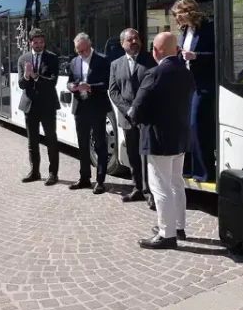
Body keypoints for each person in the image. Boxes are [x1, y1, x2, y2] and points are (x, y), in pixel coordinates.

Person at [131, 32, 195, 250]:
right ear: (176, 50)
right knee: (177, 183)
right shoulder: (186, 73)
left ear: (155, 51)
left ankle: (167, 234)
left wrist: (136, 120)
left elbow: (137, 107)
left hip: (158, 139)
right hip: (180, 137)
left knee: (160, 187)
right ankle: (178, 227)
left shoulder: (155, 73)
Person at [108, 28, 156, 204]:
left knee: (148, 155)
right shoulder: (115, 64)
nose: (135, 42)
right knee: (133, 154)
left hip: (146, 115)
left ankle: (150, 191)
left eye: (137, 38)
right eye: (130, 39)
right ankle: (137, 188)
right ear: (122, 44)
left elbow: (155, 85)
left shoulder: (150, 60)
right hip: (127, 117)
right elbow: (113, 91)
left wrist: (139, 108)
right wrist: (128, 110)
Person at [174, 0, 216, 183]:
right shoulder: (186, 31)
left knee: (197, 126)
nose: (177, 18)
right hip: (188, 85)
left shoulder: (208, 27)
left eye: (178, 14)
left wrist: (196, 56)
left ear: (187, 11)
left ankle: (204, 171)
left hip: (203, 85)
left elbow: (218, 54)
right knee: (187, 127)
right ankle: (188, 169)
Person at [66, 33, 112, 194]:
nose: (83, 53)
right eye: (79, 51)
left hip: (97, 107)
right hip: (80, 107)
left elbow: (108, 83)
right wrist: (71, 87)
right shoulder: (74, 61)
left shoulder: (103, 60)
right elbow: (69, 81)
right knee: (82, 144)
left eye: (85, 50)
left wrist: (91, 87)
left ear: (90, 45)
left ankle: (100, 181)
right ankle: (84, 178)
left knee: (99, 144)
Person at [17, 28, 60, 186]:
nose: (39, 45)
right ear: (30, 43)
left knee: (51, 140)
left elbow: (52, 81)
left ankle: (53, 173)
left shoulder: (52, 58)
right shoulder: (23, 59)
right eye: (36, 42)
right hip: (30, 106)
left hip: (47, 105)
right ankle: (34, 172)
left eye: (41, 42)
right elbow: (21, 84)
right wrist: (26, 75)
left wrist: (35, 76)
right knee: (32, 141)